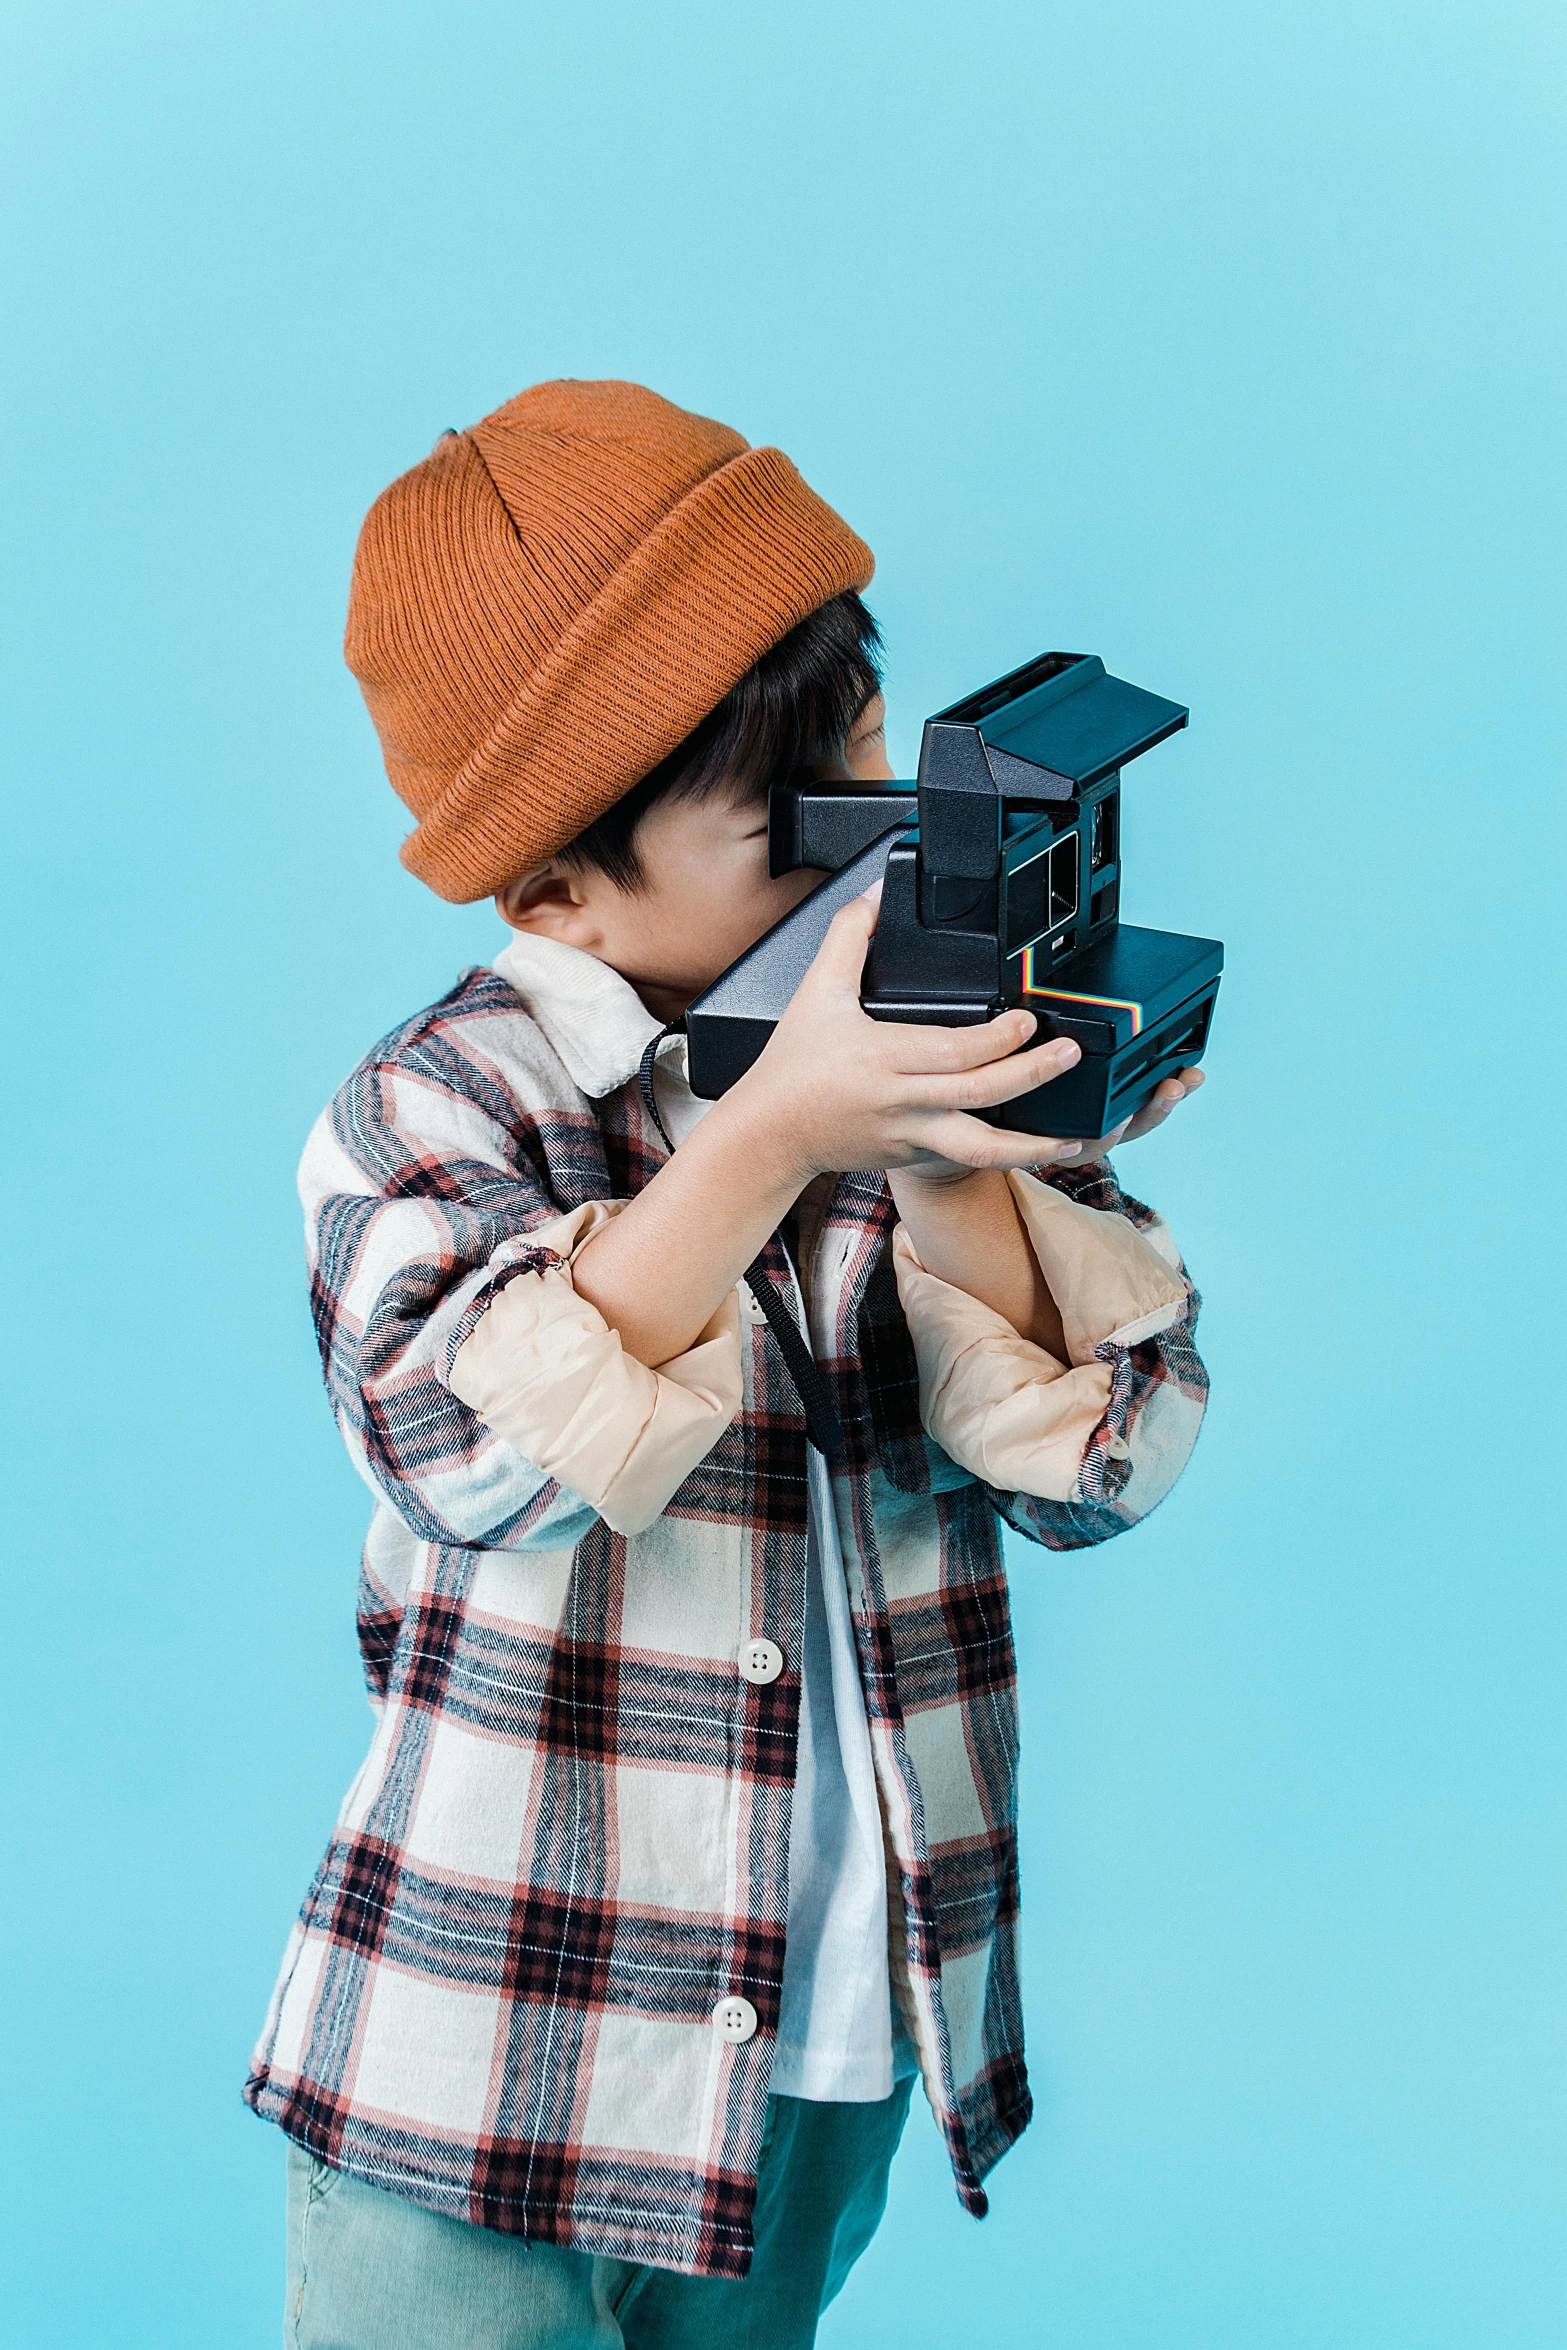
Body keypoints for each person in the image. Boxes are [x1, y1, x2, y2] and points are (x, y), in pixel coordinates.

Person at [245, 379, 1209, 2349]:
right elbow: (467, 1449)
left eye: (865, 730)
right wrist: (768, 1136)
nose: (867, 823)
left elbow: (1101, 1463)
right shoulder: (439, 1104)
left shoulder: (923, 1033)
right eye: (789, 817)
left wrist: (947, 1171)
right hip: (489, 2062)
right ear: (559, 891)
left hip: (831, 2031)